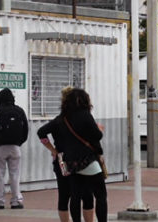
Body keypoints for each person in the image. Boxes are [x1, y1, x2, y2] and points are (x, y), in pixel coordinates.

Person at [59, 88, 107, 222]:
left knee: (75, 196)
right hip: (87, 160)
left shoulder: (64, 117)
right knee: (101, 194)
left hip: (71, 161)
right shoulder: (85, 114)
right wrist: (98, 129)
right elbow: (97, 136)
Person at [38, 87, 82, 222]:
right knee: (77, 194)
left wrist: (53, 150)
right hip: (79, 160)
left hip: (61, 160)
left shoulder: (59, 120)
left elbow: (41, 132)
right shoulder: (81, 118)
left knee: (63, 195)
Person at [0, 87, 29, 209]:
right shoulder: (19, 111)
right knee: (15, 174)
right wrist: (19, 143)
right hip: (15, 147)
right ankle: (16, 201)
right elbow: (25, 129)